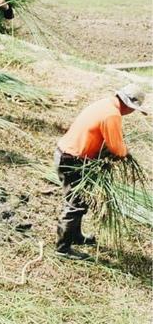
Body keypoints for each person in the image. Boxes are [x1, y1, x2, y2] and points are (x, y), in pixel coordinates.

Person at [54, 83, 147, 260]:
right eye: (134, 109)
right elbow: (117, 149)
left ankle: (75, 236)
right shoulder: (112, 115)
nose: (132, 112)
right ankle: (62, 248)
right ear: (128, 104)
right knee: (75, 203)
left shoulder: (105, 104)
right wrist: (125, 153)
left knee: (81, 199)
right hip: (71, 160)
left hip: (68, 154)